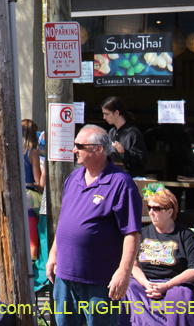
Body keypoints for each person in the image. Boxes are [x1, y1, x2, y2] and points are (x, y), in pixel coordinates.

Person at [46, 125, 142, 326]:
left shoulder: (121, 182)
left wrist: (124, 272)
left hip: (100, 281)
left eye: (80, 146)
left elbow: (132, 232)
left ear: (98, 149)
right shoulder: (73, 178)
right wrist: (53, 255)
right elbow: (65, 222)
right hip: (65, 277)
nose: (74, 150)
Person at [121, 184, 194, 326]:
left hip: (174, 284)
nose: (151, 212)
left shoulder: (185, 235)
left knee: (179, 296)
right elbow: (133, 264)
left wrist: (166, 286)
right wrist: (146, 284)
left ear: (169, 212)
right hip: (146, 282)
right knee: (127, 288)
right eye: (149, 208)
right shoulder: (142, 233)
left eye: (157, 208)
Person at [102, 97, 148, 178]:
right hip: (114, 177)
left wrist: (124, 152)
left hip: (131, 178)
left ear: (116, 113)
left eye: (107, 114)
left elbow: (143, 159)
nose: (104, 117)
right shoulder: (112, 132)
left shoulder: (133, 133)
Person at [22, 119, 45, 260]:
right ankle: (31, 270)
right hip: (29, 195)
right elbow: (38, 180)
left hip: (13, 193)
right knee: (32, 238)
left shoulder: (11, 149)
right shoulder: (33, 152)